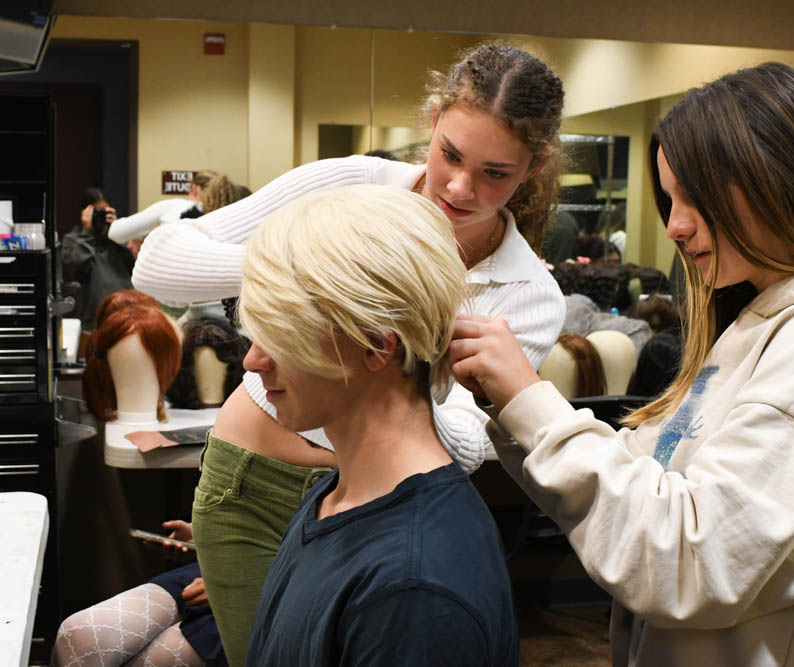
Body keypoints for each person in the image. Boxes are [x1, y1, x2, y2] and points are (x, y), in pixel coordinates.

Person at [133, 43, 566, 665]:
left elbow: (463, 448)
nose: (461, 187)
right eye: (449, 154)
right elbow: (158, 263)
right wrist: (322, 271)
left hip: (379, 502)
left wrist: (399, 353)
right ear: (434, 119)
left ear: (534, 167)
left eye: (495, 173)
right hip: (255, 486)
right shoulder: (355, 185)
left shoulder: (530, 297)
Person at [449, 62, 794, 666]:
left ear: (780, 178)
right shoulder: (759, 320)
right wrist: (514, 405)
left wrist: (529, 402)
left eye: (696, 197)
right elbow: (643, 478)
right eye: (670, 199)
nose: (675, 225)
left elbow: (689, 559)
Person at [242, 184, 517, 666]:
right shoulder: (335, 498)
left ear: (374, 345)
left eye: (279, 334)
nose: (252, 360)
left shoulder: (414, 590)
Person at [51, 519, 226, 667]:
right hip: (218, 567)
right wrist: (212, 536)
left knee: (149, 661)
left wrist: (241, 589)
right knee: (78, 637)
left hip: (250, 599)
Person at [61, 187, 133, 352]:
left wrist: (117, 230)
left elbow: (134, 261)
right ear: (85, 212)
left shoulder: (118, 238)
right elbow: (78, 267)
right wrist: (87, 232)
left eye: (104, 211)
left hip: (125, 317)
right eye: (96, 212)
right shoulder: (73, 240)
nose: (100, 216)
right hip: (92, 323)